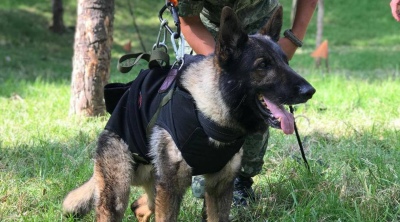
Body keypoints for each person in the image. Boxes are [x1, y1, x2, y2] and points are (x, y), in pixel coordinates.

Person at [177, 0, 318, 207]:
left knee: (257, 100)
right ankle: (202, 172)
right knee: (206, 104)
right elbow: (189, 22)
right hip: (205, 29)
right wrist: (219, 64)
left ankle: (241, 181)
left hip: (261, 24)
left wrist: (292, 39)